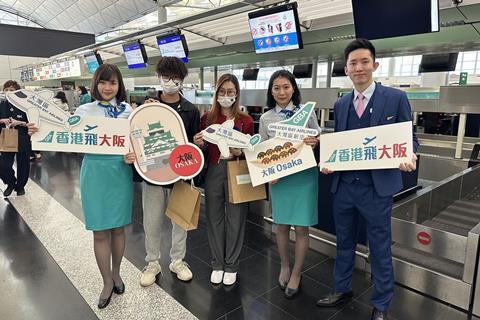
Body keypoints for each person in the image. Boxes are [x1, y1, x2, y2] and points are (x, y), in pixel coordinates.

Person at [316, 39, 418, 320]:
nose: (358, 67)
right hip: (345, 187)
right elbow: (343, 144)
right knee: (344, 241)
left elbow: (410, 139)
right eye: (353, 63)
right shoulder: (341, 103)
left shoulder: (395, 98)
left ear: (375, 64)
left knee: (380, 246)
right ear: (346, 69)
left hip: (377, 188)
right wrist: (330, 162)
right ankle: (342, 288)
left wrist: (410, 155)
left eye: (364, 61)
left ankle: (382, 303)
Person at [30, 64, 135, 309]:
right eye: (103, 82)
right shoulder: (85, 110)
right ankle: (106, 281)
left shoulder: (127, 111)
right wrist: (38, 129)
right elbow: (63, 132)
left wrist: (133, 154)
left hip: (119, 172)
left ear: (119, 86)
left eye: (113, 83)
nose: (108, 88)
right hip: (95, 172)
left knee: (119, 229)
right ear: (96, 84)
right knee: (100, 231)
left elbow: (135, 141)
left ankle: (117, 273)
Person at [257, 70, 320, 299]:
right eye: (276, 87)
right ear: (271, 91)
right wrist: (268, 172)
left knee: (302, 228)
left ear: (293, 88)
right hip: (280, 178)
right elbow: (261, 151)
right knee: (281, 225)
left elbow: (315, 138)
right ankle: (284, 264)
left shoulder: (307, 112)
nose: (281, 92)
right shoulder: (266, 119)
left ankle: (296, 271)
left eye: (286, 87)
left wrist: (314, 141)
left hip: (303, 177)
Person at [139, 56, 200, 287]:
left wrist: (198, 144)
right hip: (154, 172)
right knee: (151, 219)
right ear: (159, 78)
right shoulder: (149, 107)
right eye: (166, 77)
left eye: (175, 78)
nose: (170, 82)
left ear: (182, 80)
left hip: (182, 172)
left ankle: (177, 260)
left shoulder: (191, 111)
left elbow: (194, 145)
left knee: (180, 219)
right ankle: (152, 262)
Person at [193, 74, 254, 286]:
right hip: (214, 171)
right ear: (216, 93)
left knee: (236, 218)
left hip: (237, 170)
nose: (226, 96)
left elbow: (251, 151)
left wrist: (240, 151)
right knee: (214, 217)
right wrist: (198, 143)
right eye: (222, 91)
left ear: (237, 94)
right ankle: (217, 262)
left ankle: (232, 265)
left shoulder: (245, 120)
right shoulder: (207, 118)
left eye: (230, 92)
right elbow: (200, 149)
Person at [0, 80, 31, 197]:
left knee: (23, 164)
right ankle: (11, 182)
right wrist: (2, 120)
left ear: (17, 92)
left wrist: (20, 122)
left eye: (11, 90)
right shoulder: (2, 104)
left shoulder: (25, 105)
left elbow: (32, 122)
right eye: (6, 90)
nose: (8, 92)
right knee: (3, 165)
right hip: (6, 137)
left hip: (23, 137)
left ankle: (20, 186)